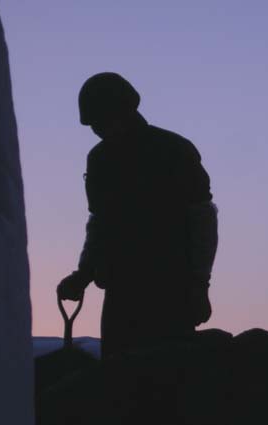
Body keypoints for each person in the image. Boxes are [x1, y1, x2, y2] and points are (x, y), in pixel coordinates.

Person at [57, 72, 218, 359]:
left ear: (123, 111)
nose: (97, 130)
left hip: (170, 290)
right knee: (120, 382)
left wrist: (198, 285)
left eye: (101, 121)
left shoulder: (174, 150)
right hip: (121, 291)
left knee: (166, 376)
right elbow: (100, 224)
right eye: (93, 124)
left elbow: (202, 221)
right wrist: (83, 274)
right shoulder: (100, 160)